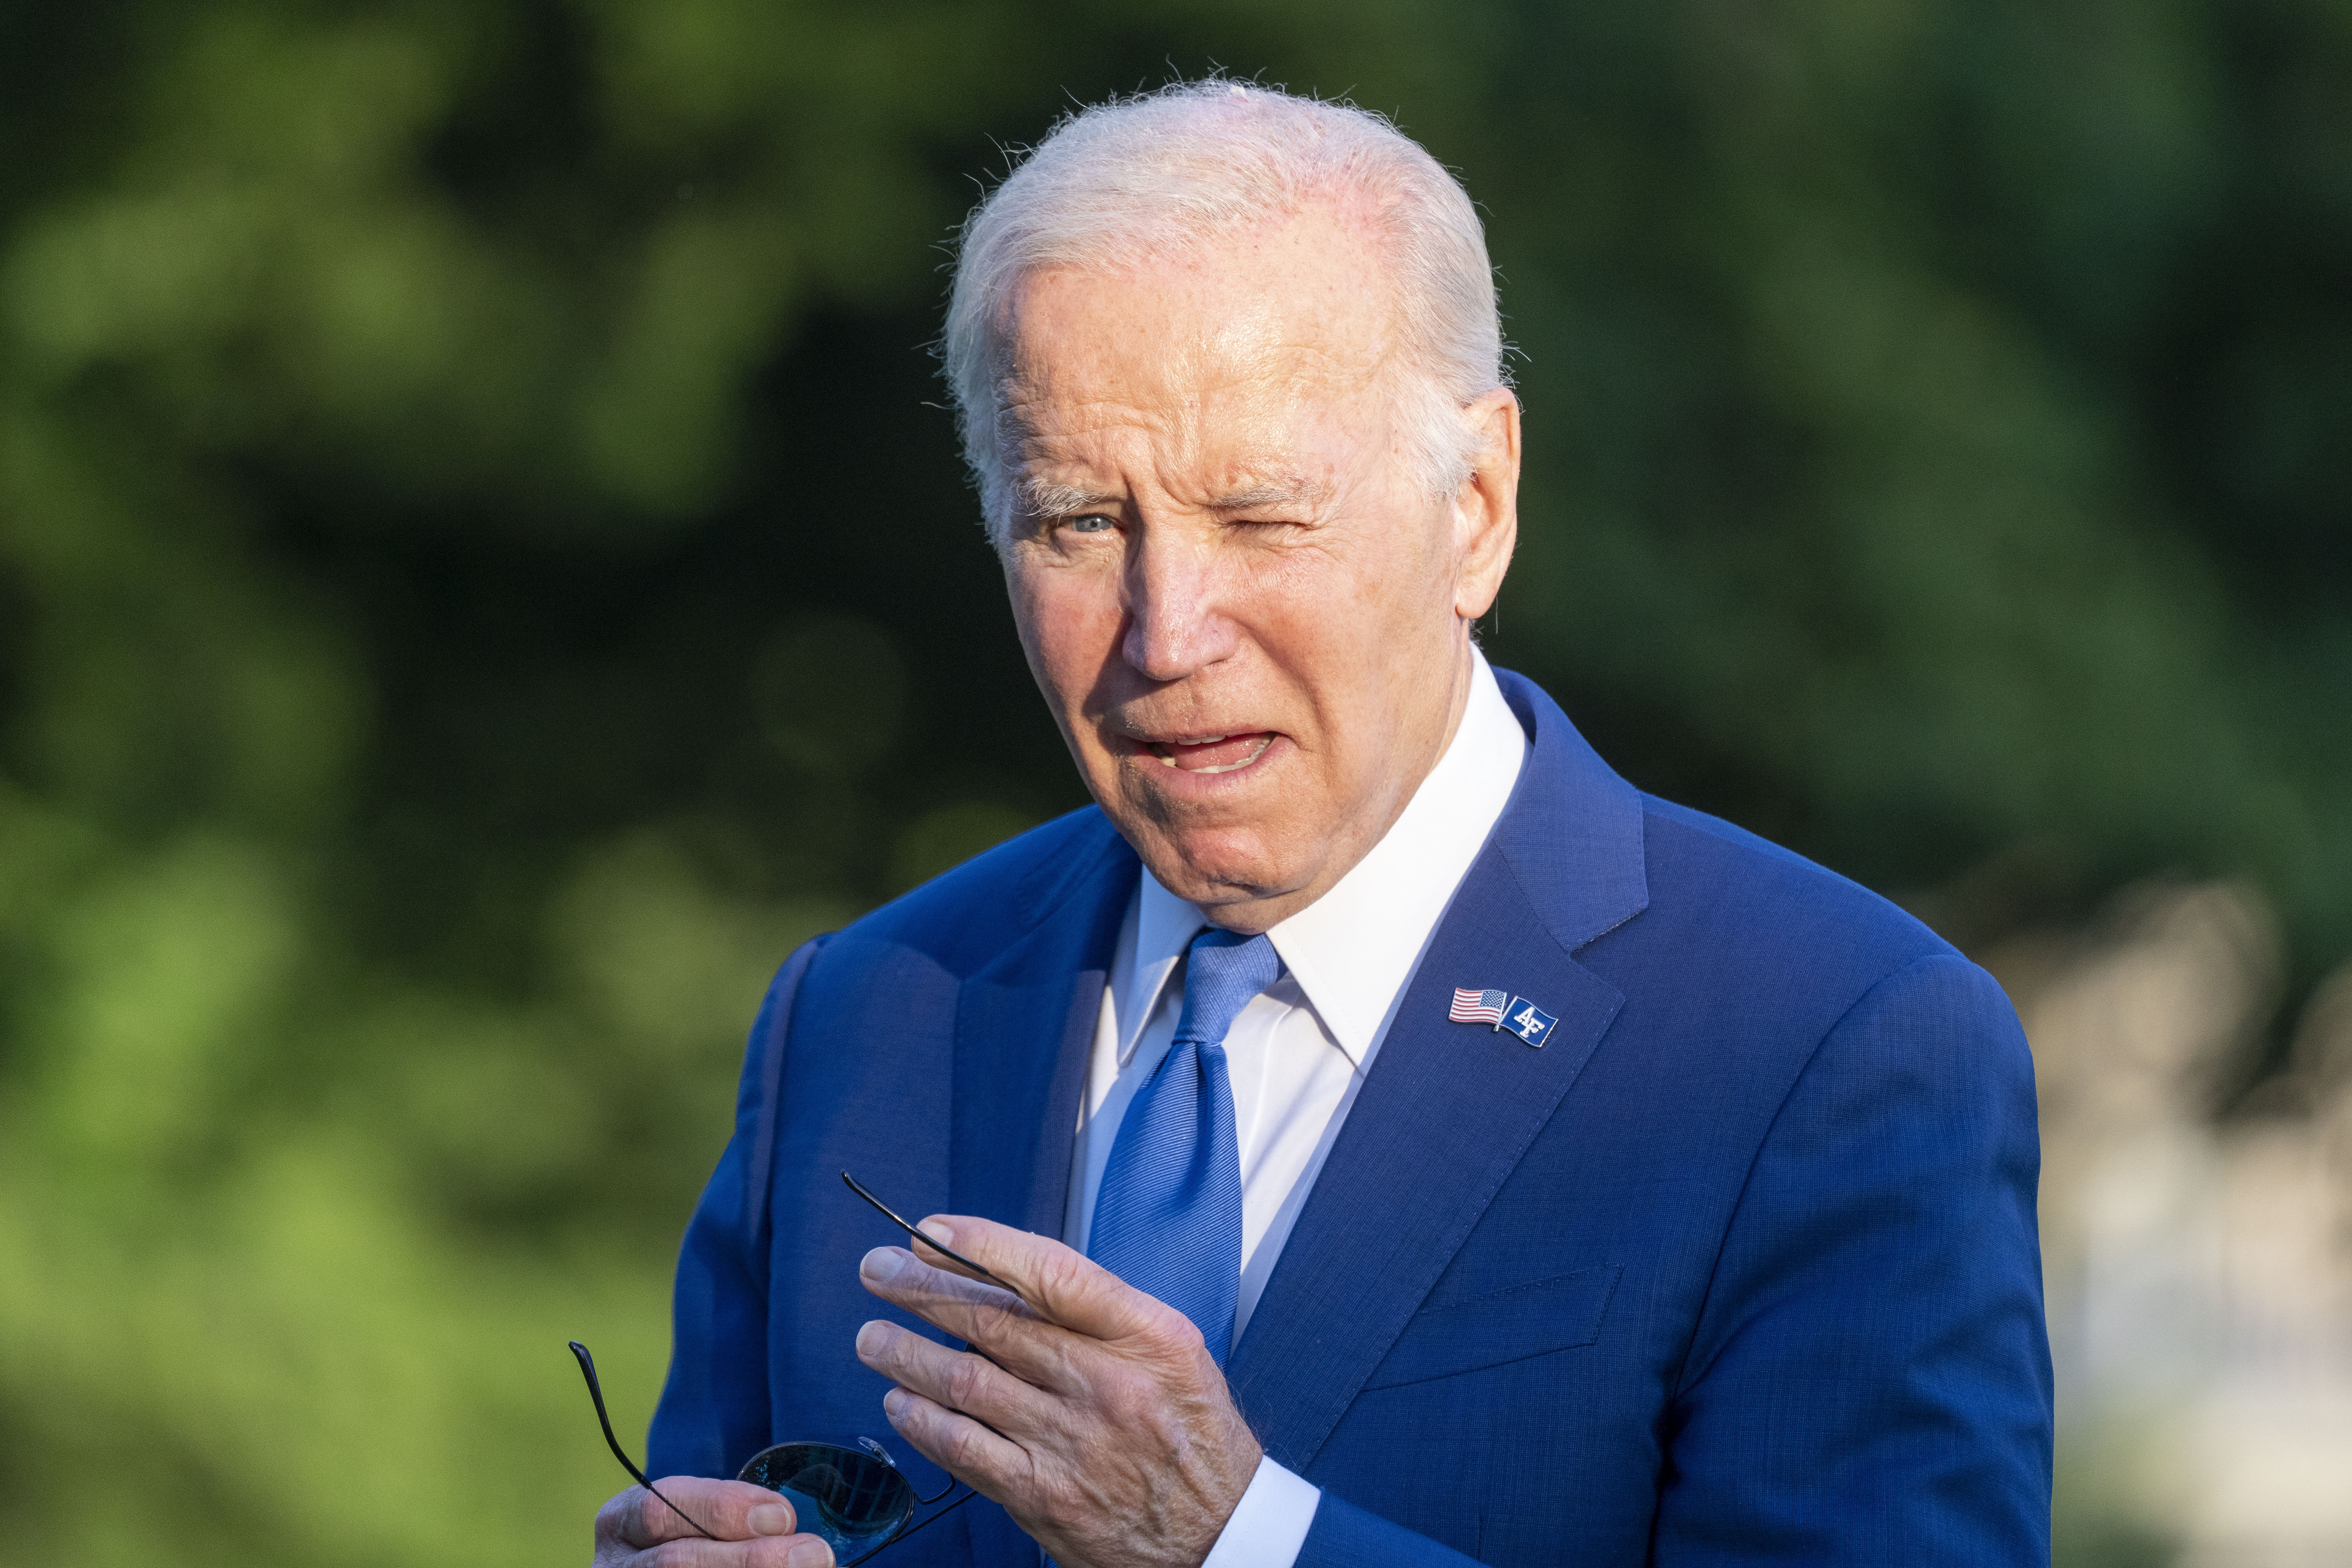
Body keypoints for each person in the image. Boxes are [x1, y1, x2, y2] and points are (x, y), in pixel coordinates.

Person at [588, 81, 2052, 1568]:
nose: (1168, 634)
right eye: (1080, 524)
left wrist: (1240, 1545)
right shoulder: (869, 1014)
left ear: (1475, 504)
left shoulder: (1829, 1047)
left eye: (1261, 518)